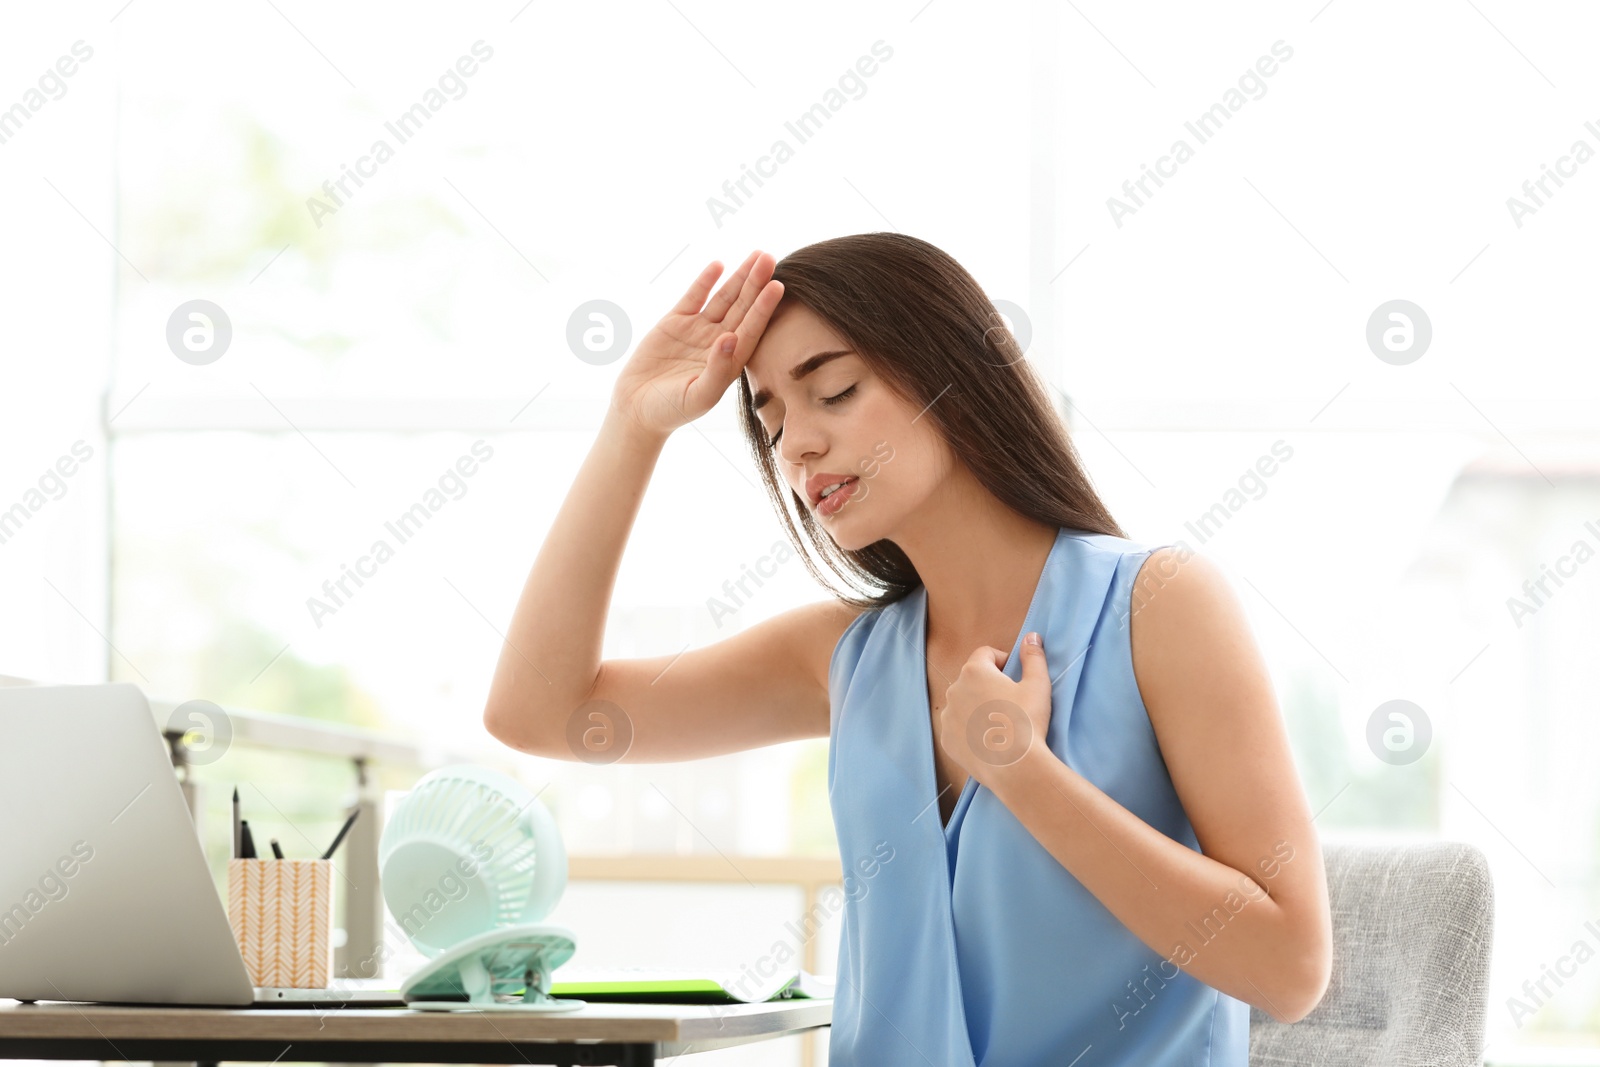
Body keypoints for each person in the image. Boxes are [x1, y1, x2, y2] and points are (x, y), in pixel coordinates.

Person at [483, 233, 1332, 1065]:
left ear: (950, 379)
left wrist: (1025, 777)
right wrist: (634, 426)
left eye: (835, 390)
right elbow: (543, 712)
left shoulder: (1157, 603)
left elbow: (1291, 970)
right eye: (772, 419)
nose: (799, 446)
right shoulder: (843, 655)